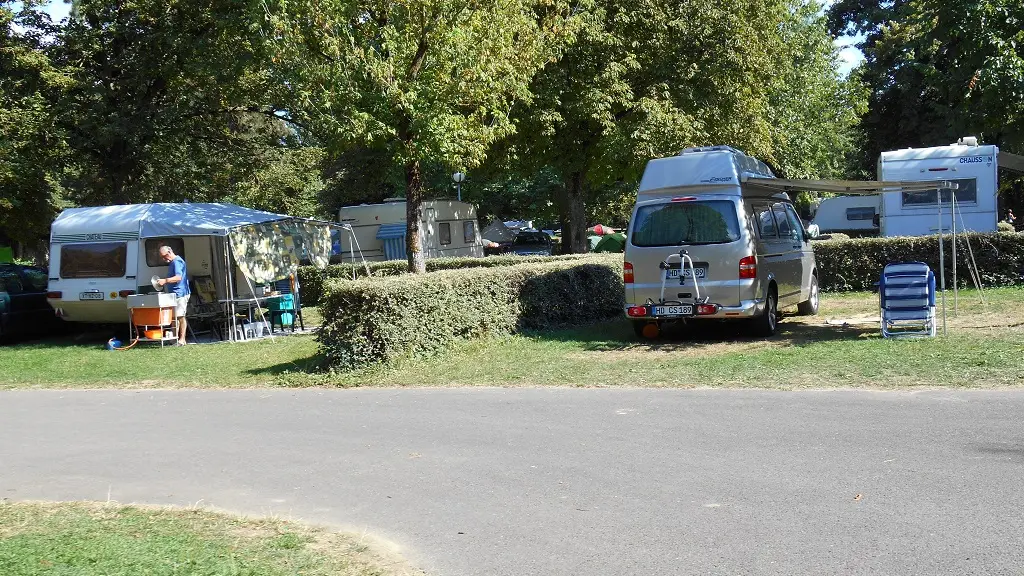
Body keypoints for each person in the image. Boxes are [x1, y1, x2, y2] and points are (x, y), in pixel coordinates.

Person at [157, 245, 190, 346]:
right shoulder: (172, 263)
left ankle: (182, 340)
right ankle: (174, 339)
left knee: (180, 316)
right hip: (174, 294)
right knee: (174, 317)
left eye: (164, 256)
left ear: (169, 252)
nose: (163, 259)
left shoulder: (177, 262)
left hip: (181, 293)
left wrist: (165, 280)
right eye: (162, 257)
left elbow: (178, 278)